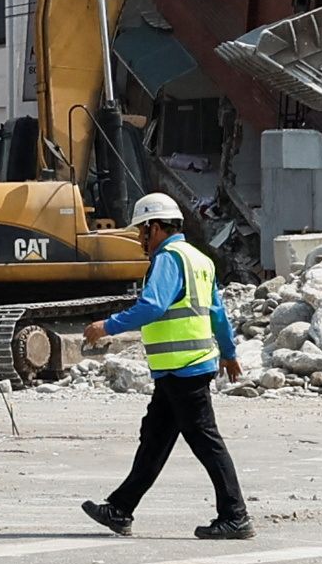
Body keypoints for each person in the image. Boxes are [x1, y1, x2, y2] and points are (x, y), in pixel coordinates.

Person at [77, 194, 255, 542]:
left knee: (205, 441)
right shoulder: (199, 259)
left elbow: (152, 306)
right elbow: (217, 312)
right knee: (155, 440)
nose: (141, 240)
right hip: (182, 369)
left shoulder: (168, 259)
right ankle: (120, 509)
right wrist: (228, 352)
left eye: (142, 232)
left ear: (155, 228)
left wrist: (107, 326)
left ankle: (235, 515)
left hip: (183, 368)